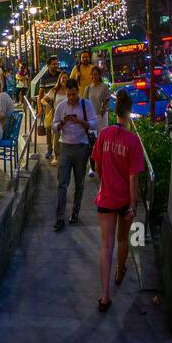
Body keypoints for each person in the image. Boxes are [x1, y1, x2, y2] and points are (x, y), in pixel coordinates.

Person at [93, 89, 143, 312]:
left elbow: (96, 167)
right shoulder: (133, 142)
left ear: (115, 112)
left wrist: (107, 181)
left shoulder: (104, 134)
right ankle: (120, 270)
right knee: (123, 239)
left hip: (106, 196)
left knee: (106, 245)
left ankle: (104, 296)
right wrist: (132, 205)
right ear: (129, 112)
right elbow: (133, 180)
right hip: (124, 200)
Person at [52, 77, 98, 231]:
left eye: (73, 94)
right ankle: (60, 217)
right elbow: (54, 126)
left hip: (82, 147)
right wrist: (63, 123)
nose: (71, 98)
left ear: (77, 91)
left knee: (79, 183)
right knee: (62, 183)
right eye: (69, 95)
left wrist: (80, 122)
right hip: (65, 146)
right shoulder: (61, 106)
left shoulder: (86, 105)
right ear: (66, 93)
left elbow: (94, 123)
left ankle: (75, 213)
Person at [37, 55, 63, 164]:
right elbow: (40, 94)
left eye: (57, 63)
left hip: (59, 105)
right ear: (48, 65)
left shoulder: (60, 75)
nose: (56, 66)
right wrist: (40, 107)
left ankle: (58, 150)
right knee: (48, 128)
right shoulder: (44, 77)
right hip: (48, 106)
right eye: (53, 64)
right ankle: (49, 149)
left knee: (58, 128)